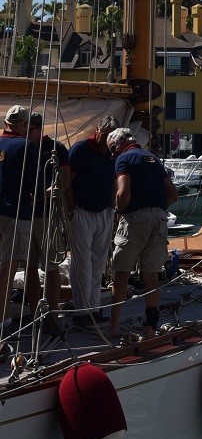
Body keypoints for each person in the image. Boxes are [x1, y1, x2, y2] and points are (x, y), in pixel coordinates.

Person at [107, 127, 178, 339]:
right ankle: (150, 329)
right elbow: (173, 194)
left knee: (120, 274)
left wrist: (120, 211)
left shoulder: (124, 159)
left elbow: (123, 193)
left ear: (120, 143)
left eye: (112, 149)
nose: (112, 154)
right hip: (159, 218)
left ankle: (113, 327)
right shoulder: (153, 159)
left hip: (135, 220)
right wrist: (156, 209)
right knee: (151, 277)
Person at [66, 115, 119, 327]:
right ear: (98, 131)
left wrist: (112, 209)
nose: (105, 141)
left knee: (98, 264)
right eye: (104, 136)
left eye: (110, 138)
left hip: (104, 212)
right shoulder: (80, 150)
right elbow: (66, 181)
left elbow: (115, 182)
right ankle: (82, 312)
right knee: (82, 264)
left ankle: (94, 309)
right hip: (82, 212)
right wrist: (71, 211)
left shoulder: (112, 155)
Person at [26, 113, 70, 336]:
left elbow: (64, 180)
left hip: (46, 216)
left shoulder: (55, 149)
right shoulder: (21, 149)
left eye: (30, 128)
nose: (27, 131)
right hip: (25, 216)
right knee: (30, 267)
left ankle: (52, 316)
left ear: (38, 128)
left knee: (51, 266)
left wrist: (43, 194)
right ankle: (36, 316)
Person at [0, 105, 36, 333]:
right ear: (24, 125)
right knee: (8, 268)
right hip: (15, 213)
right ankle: (2, 320)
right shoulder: (26, 147)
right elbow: (34, 183)